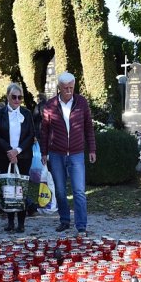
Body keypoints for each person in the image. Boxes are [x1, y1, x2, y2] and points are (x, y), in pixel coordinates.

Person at [40, 72, 97, 235]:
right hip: (56, 153)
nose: (69, 91)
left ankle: (81, 225)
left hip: (77, 153)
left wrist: (92, 149)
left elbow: (88, 127)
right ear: (59, 87)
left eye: (71, 87)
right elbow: (44, 131)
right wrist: (44, 152)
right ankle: (64, 220)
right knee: (60, 190)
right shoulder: (50, 105)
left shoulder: (81, 102)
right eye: (65, 88)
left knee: (79, 190)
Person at [0, 83, 35, 233]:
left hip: (23, 156)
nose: (17, 100)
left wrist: (17, 150)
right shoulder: (0, 113)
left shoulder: (27, 113)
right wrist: (9, 151)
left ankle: (21, 223)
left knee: (21, 189)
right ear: (8, 97)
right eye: (14, 97)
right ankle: (10, 222)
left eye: (20, 97)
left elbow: (31, 134)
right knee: (8, 188)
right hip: (5, 156)